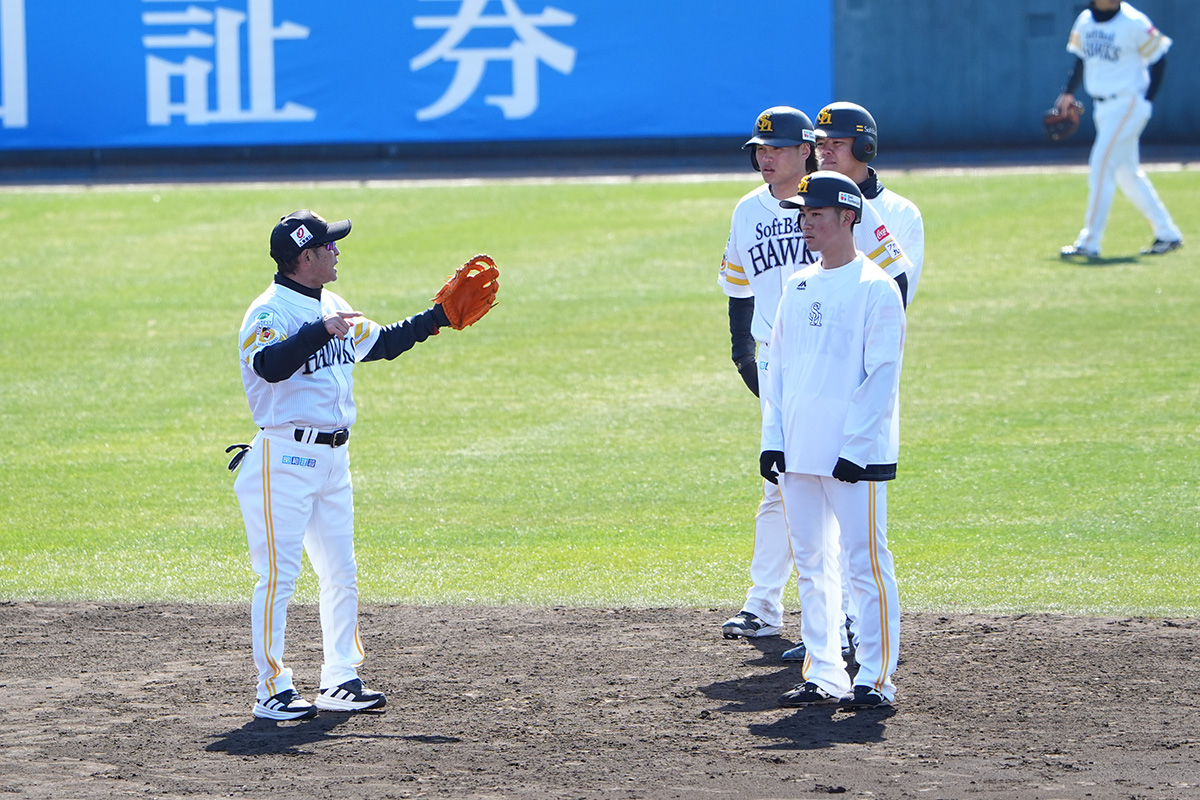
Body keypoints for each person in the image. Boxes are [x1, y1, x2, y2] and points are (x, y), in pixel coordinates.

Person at [231, 210, 495, 720]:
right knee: (278, 578)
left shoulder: (334, 303)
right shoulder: (268, 311)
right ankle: (272, 687)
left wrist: (437, 317)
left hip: (333, 459)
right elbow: (267, 365)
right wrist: (316, 332)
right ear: (304, 257)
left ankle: (340, 679)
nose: (336, 251)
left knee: (340, 573)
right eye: (328, 245)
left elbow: (386, 341)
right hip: (281, 459)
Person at [718, 108, 914, 653]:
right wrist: (743, 354)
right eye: (759, 149)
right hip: (782, 366)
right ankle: (772, 609)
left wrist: (862, 346)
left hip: (838, 370)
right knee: (781, 485)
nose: (765, 157)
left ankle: (845, 628)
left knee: (843, 508)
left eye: (775, 148)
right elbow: (737, 284)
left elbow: (893, 276)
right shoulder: (748, 211)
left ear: (805, 149)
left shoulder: (843, 204)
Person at [760, 172, 905, 710]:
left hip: (853, 458)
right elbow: (778, 373)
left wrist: (856, 449)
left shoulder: (876, 288)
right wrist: (772, 439)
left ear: (848, 217)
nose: (806, 224)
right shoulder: (797, 286)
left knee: (866, 563)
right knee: (813, 566)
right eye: (803, 215)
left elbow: (881, 377)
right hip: (799, 451)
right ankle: (824, 672)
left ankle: (874, 676)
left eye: (816, 214)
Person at [1056, 0, 1182, 261]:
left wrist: (1146, 100)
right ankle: (1168, 234)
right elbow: (1081, 58)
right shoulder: (1085, 20)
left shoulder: (1134, 21)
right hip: (1102, 107)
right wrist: (1068, 93)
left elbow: (1160, 58)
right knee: (1127, 174)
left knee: (1101, 163)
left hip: (1128, 103)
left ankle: (1089, 241)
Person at [813, 101, 925, 304]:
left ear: (864, 147)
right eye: (820, 144)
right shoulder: (801, 207)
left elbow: (898, 293)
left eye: (837, 143)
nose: (825, 151)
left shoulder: (902, 212)